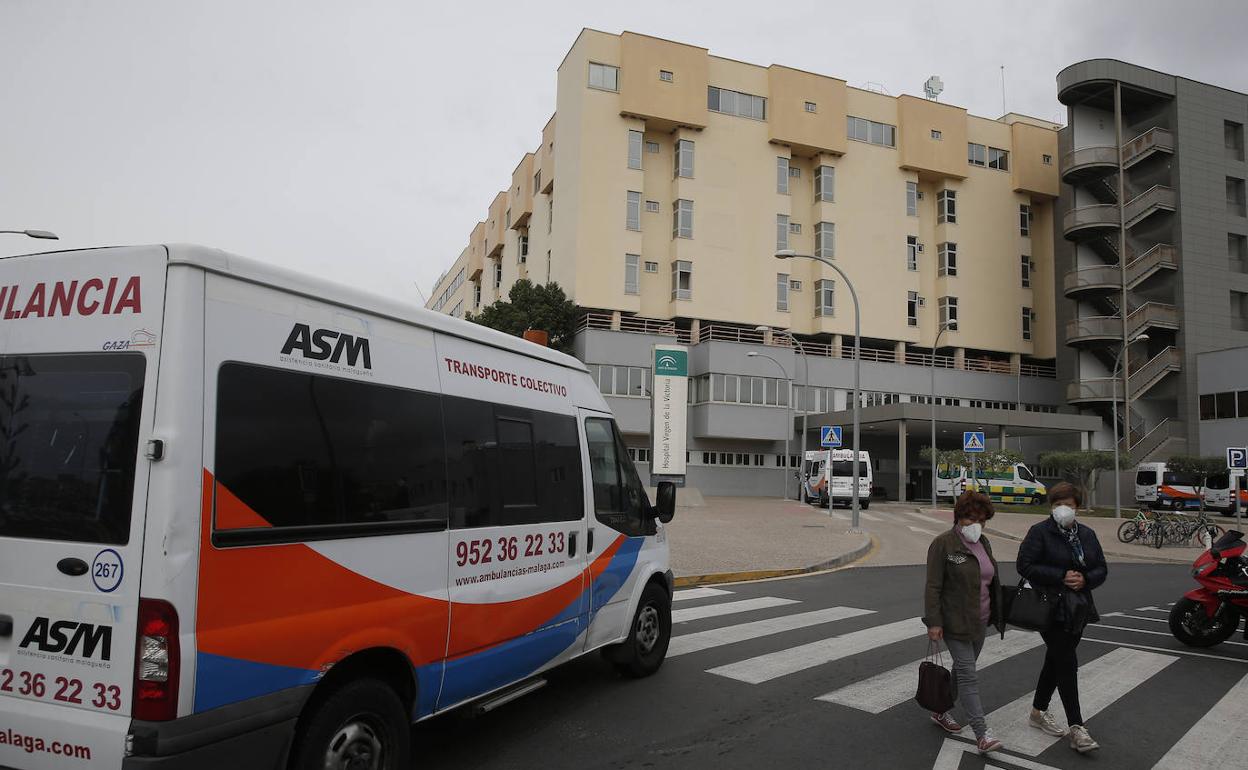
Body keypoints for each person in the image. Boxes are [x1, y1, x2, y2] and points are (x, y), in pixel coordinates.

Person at [1016, 481, 1108, 754]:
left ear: (1077, 507)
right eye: (1057, 505)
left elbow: (1101, 567)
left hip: (1078, 607)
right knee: (1067, 661)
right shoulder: (1039, 532)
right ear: (1050, 507)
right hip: (1049, 608)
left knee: (1056, 659)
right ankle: (1077, 727)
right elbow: (1025, 565)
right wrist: (1060, 576)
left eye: (1068, 505)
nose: (1063, 510)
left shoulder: (1088, 535)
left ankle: (1038, 711)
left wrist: (1086, 578)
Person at [923, 490, 1006, 754]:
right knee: (969, 675)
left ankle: (940, 711)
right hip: (954, 622)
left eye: (981, 520)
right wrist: (934, 622)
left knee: (961, 671)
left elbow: (990, 581)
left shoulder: (984, 543)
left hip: (980, 620)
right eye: (970, 518)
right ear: (959, 517)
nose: (975, 525)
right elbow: (933, 586)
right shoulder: (943, 544)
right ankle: (982, 734)